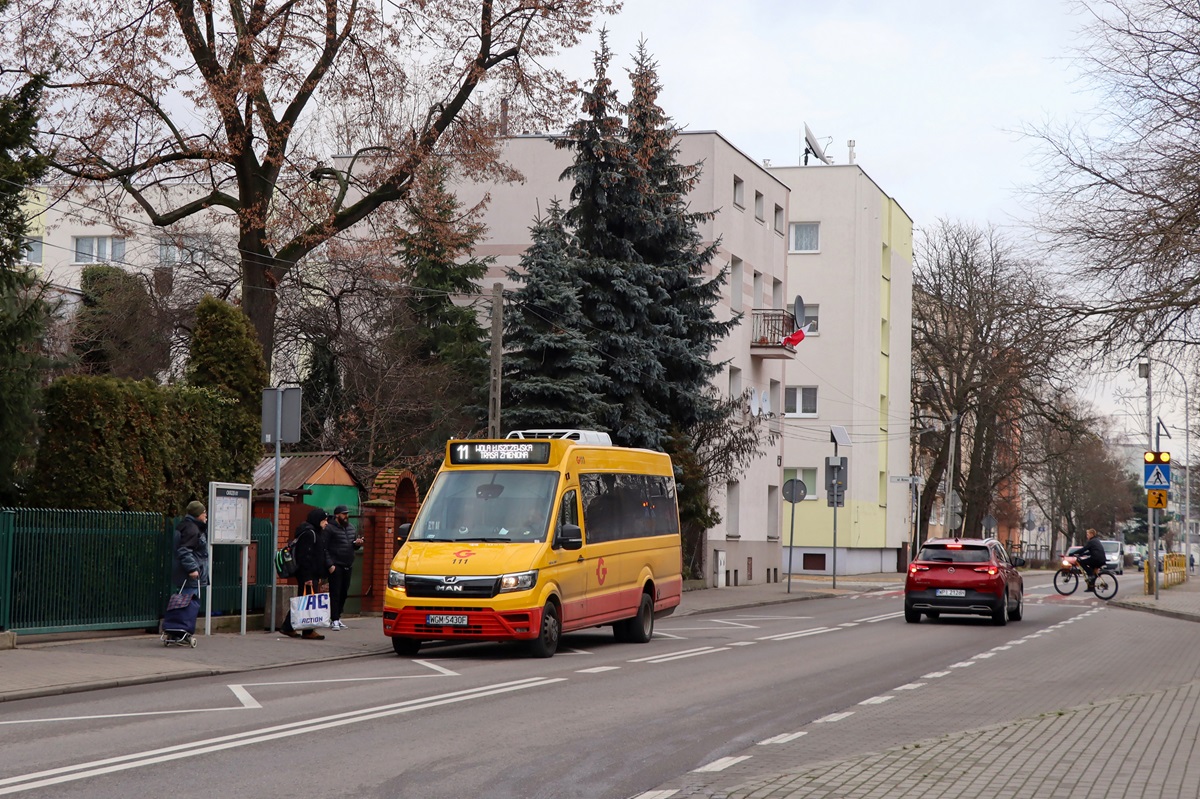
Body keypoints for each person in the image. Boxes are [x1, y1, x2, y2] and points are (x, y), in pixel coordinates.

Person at [281, 508, 330, 640]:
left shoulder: (314, 532)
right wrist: (308, 577)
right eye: (324, 520)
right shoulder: (309, 534)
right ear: (317, 520)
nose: (326, 523)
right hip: (306, 574)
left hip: (312, 574)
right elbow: (305, 557)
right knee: (307, 601)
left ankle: (289, 627)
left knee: (305, 601)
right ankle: (306, 631)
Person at [324, 504, 363, 631]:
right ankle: (334, 619)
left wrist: (357, 544)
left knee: (344, 593)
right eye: (344, 514)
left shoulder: (351, 528)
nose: (347, 516)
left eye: (347, 514)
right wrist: (330, 564)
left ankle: (338, 617)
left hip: (348, 564)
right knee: (335, 593)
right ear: (337, 515)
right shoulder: (329, 529)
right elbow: (324, 548)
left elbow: (352, 545)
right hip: (336, 565)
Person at [171, 501, 208, 600]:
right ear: (197, 514)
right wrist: (192, 569)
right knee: (186, 609)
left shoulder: (185, 526)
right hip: (190, 578)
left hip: (186, 576)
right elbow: (184, 550)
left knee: (184, 607)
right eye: (204, 512)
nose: (206, 515)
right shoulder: (192, 529)